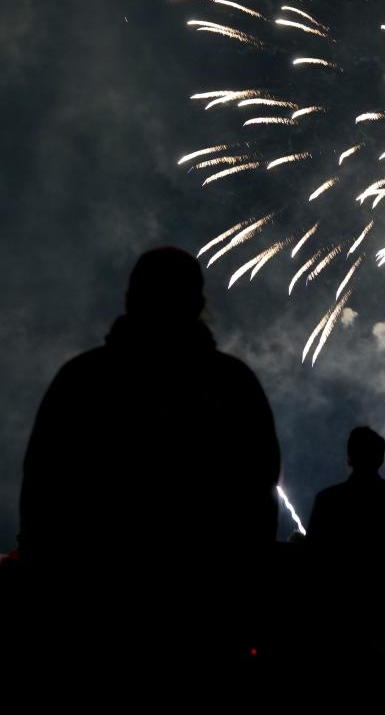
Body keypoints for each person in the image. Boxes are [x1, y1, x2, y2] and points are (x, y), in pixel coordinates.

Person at [17, 247, 281, 681]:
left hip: (90, 617)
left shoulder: (82, 380)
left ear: (129, 299)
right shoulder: (233, 385)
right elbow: (257, 506)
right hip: (203, 620)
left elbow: (41, 499)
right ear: (197, 305)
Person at [305, 426, 385, 707]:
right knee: (384, 702)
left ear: (349, 457)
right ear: (381, 459)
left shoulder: (328, 501)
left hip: (338, 627)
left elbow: (312, 563)